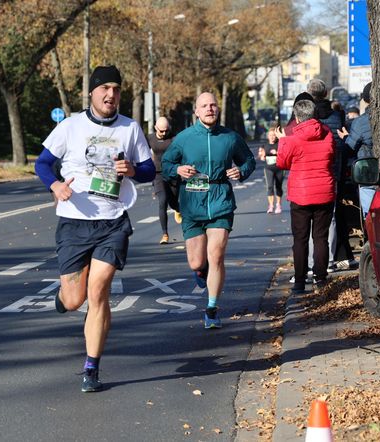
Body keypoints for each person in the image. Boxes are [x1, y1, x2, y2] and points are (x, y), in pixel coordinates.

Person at [34, 65, 155, 392]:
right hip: (74, 221)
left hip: (112, 220)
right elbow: (43, 163)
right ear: (92, 92)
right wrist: (55, 186)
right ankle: (64, 297)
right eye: (105, 89)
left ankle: (91, 368)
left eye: (116, 89)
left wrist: (131, 169)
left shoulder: (130, 129)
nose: (111, 95)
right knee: (75, 300)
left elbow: (148, 170)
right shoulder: (71, 126)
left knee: (98, 290)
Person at [162, 92, 255, 329]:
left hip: (220, 199)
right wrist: (178, 170)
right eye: (204, 106)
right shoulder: (184, 138)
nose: (209, 109)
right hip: (192, 204)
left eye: (213, 105)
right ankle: (201, 271)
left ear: (218, 108)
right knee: (196, 262)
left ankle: (212, 308)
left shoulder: (230, 137)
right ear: (196, 111)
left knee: (216, 255)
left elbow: (248, 160)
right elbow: (166, 164)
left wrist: (240, 171)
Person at [276, 99, 336, 293]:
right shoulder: (327, 134)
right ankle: (320, 278)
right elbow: (332, 156)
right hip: (324, 192)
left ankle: (300, 281)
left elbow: (282, 163)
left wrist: (282, 141)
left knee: (300, 239)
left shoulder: (292, 138)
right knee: (321, 238)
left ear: (296, 117)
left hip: (301, 194)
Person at [307, 79, 356, 272]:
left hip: (310, 172)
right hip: (333, 173)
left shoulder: (306, 118)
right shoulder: (337, 116)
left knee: (310, 218)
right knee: (331, 217)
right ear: (326, 93)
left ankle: (313, 261)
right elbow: (343, 145)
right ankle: (329, 259)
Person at [338, 82, 374, 219]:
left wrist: (346, 138)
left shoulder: (360, 122)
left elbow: (350, 147)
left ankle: (370, 238)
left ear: (365, 99)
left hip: (368, 173)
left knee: (369, 214)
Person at [148, 116, 181, 244]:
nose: (163, 134)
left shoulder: (174, 138)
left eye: (166, 131)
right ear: (155, 128)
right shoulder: (150, 138)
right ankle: (165, 234)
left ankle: (178, 209)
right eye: (161, 131)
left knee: (173, 202)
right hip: (157, 174)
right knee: (163, 201)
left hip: (173, 173)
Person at [258, 128, 285, 214]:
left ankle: (278, 205)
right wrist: (261, 155)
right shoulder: (264, 146)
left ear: (276, 136)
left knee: (278, 187)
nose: (272, 137)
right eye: (270, 135)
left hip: (279, 169)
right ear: (268, 136)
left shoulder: (280, 144)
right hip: (268, 168)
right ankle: (271, 205)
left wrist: (277, 152)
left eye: (274, 135)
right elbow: (261, 156)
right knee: (269, 186)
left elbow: (285, 153)